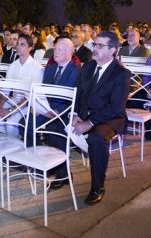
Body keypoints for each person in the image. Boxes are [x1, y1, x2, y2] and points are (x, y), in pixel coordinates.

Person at [72, 31, 131, 205]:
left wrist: (89, 123)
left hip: (110, 117)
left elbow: (115, 107)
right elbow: (78, 93)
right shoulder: (88, 66)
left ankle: (98, 186)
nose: (95, 48)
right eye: (94, 45)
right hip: (85, 113)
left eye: (100, 46)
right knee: (55, 126)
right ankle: (61, 174)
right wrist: (75, 115)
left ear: (112, 50)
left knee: (97, 138)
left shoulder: (121, 74)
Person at [26, 37, 80, 188]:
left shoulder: (76, 72)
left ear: (70, 52)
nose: (55, 52)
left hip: (65, 112)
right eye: (55, 49)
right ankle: (42, 162)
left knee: (54, 129)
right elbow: (41, 93)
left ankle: (63, 173)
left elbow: (76, 99)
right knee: (26, 124)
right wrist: (38, 107)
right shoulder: (49, 69)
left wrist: (58, 112)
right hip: (47, 109)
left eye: (60, 49)